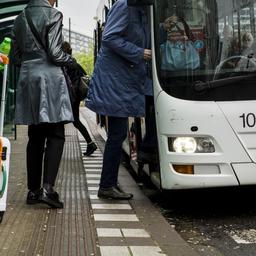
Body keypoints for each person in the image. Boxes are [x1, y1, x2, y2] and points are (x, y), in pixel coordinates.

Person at [11, 0, 77, 208]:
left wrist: (32, 62)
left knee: (35, 135)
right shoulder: (53, 15)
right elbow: (56, 54)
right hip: (49, 78)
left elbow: (15, 56)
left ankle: (33, 191)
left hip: (29, 77)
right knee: (56, 133)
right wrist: (72, 61)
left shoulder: (19, 18)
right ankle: (48, 189)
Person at [85, 0, 151, 200]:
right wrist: (139, 52)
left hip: (122, 79)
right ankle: (106, 186)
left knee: (117, 133)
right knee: (117, 134)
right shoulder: (124, 5)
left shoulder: (140, 8)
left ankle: (109, 184)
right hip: (115, 80)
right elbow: (109, 37)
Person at [61, 41, 97, 156]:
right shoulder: (74, 63)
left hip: (69, 96)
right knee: (75, 121)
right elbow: (85, 76)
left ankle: (55, 147)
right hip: (76, 97)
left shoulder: (64, 64)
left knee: (62, 121)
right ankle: (90, 143)